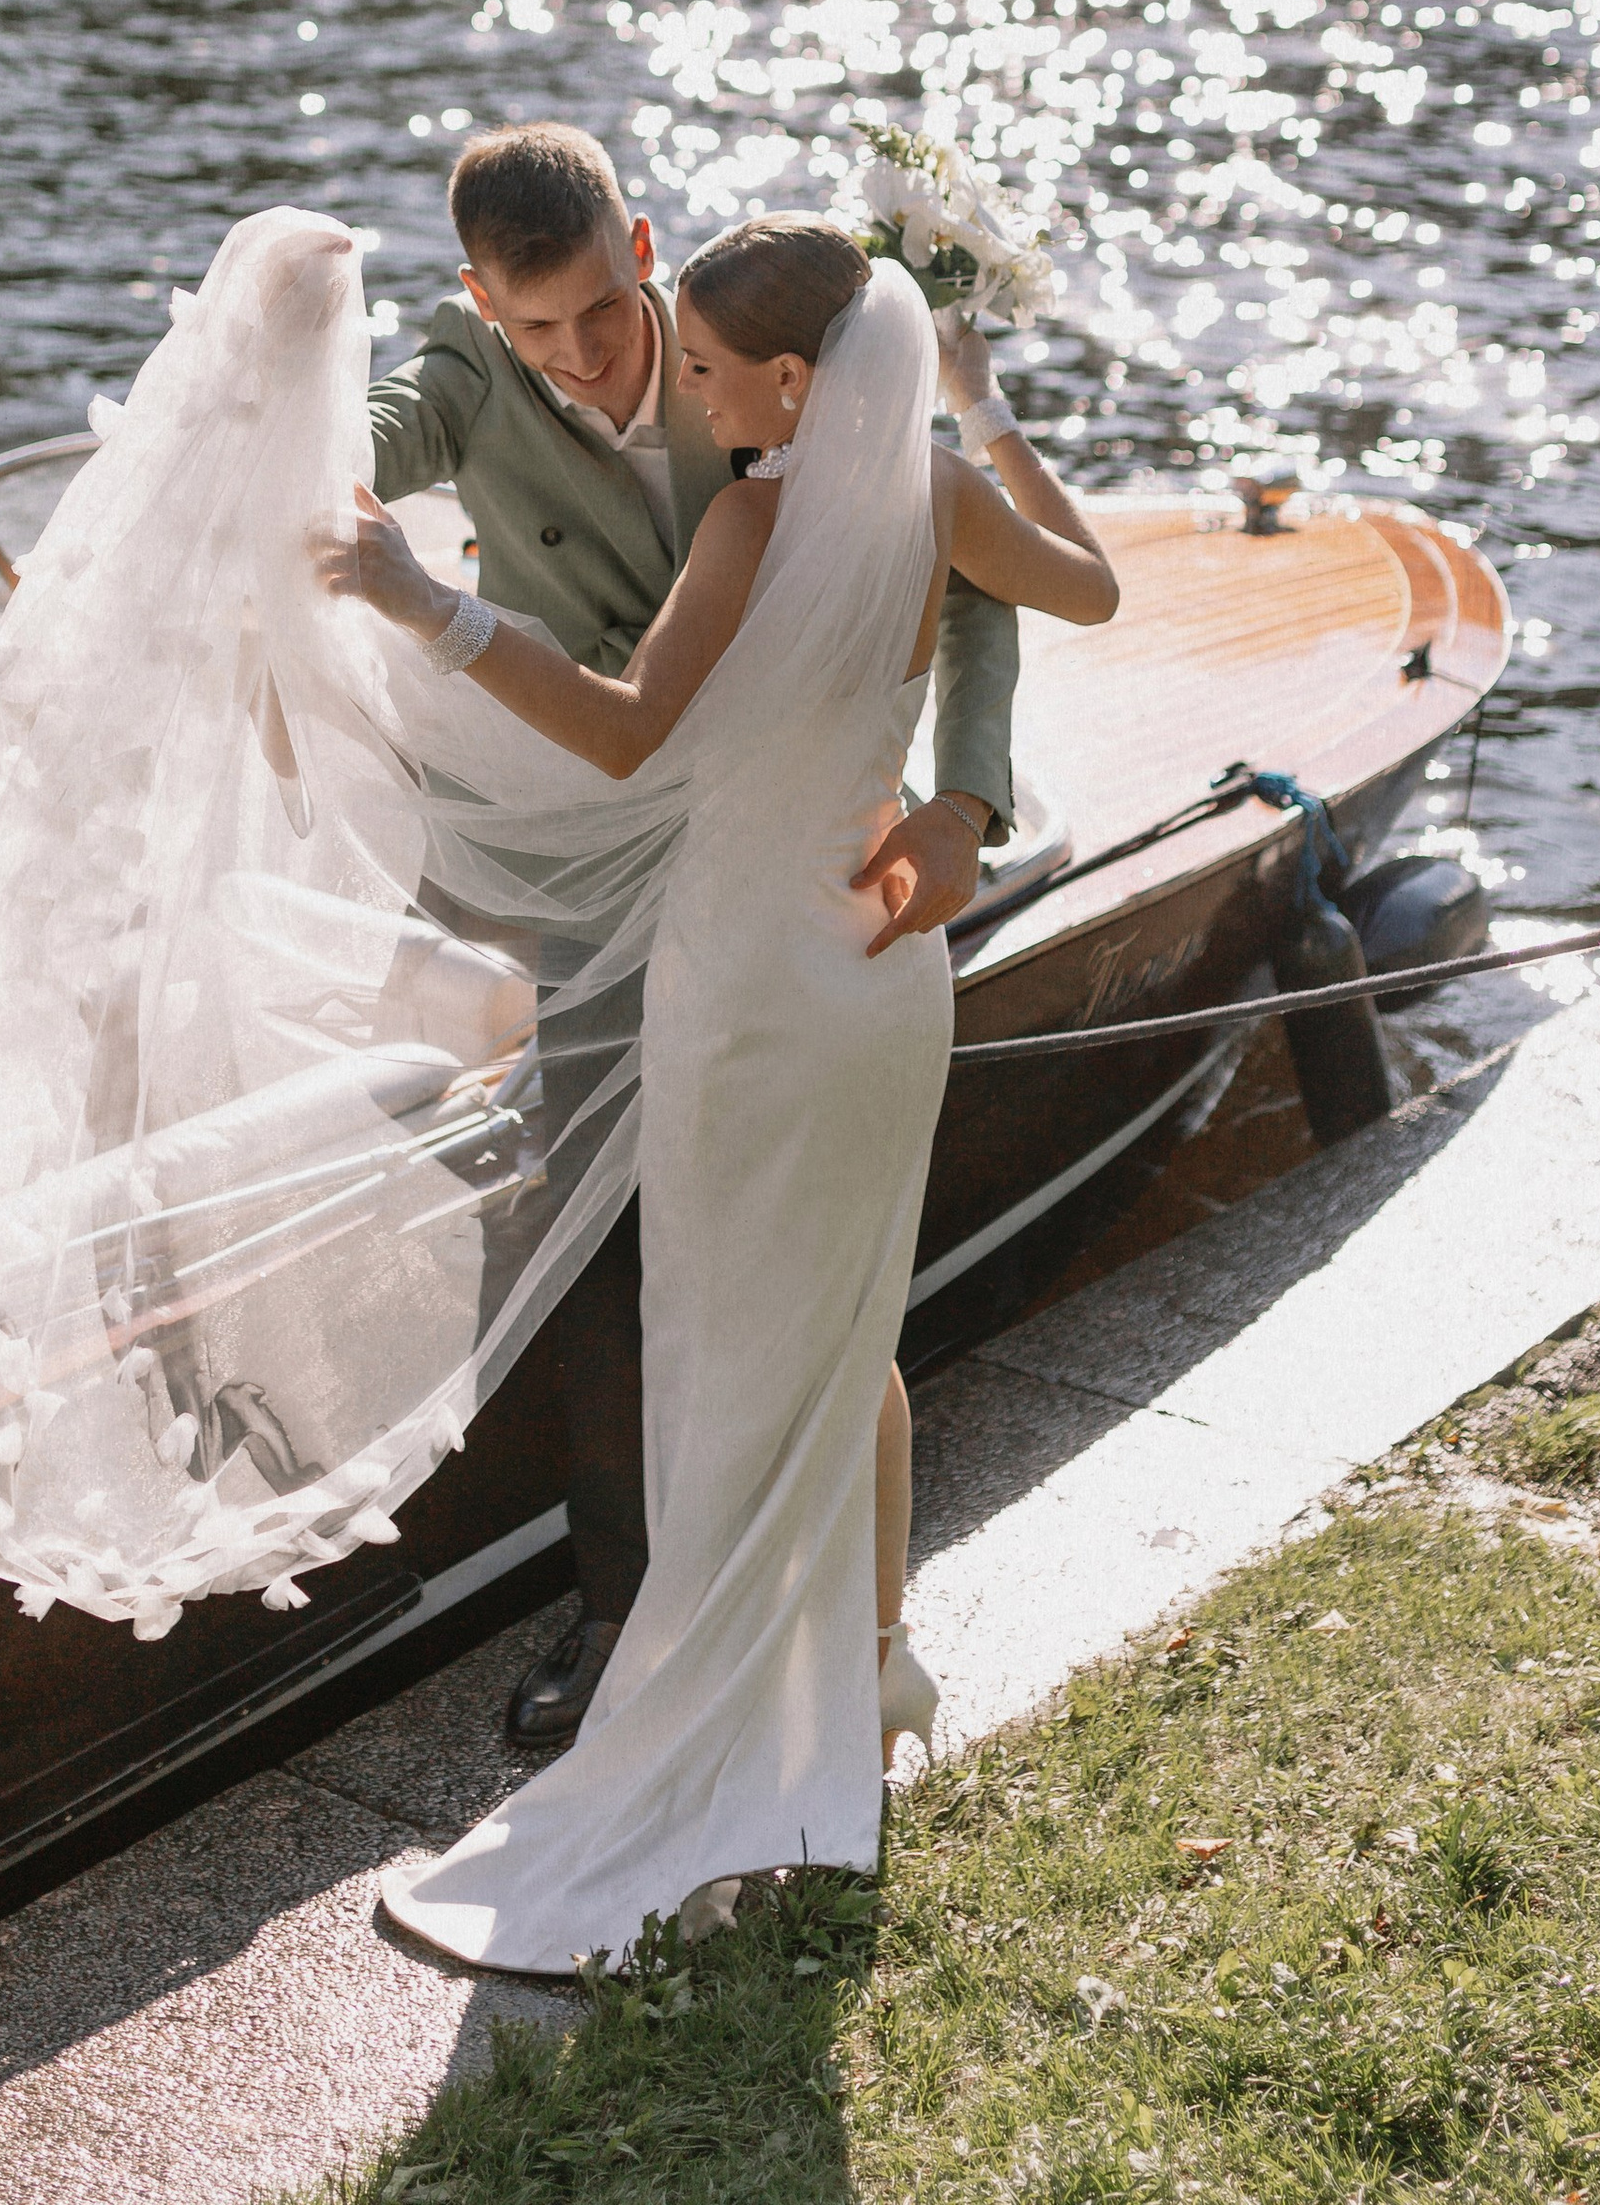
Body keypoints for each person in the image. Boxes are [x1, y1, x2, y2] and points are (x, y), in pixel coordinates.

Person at [326, 213, 1116, 1974]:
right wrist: (982, 413)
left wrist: (420, 603)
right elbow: (1095, 588)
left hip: (751, 978)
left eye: (694, 364)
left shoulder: (759, 517)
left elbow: (619, 734)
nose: (678, 394)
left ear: (781, 382)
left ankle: (744, 1732)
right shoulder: (935, 494)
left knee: (730, 1359)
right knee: (840, 1336)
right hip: (881, 978)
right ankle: (872, 1667)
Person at [368, 126, 1022, 1753]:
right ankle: (624, 1617)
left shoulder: (781, 350)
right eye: (538, 333)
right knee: (605, 1231)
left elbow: (974, 570)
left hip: (792, 855)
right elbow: (375, 446)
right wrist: (275, 464)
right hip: (603, 865)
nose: (580, 356)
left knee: (798, 1243)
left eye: (602, 309)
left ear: (642, 246)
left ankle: (838, 1623)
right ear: (478, 305)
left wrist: (971, 801)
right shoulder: (462, 366)